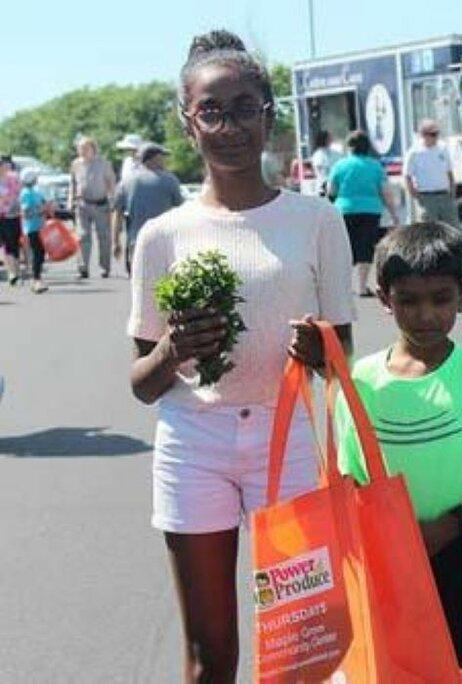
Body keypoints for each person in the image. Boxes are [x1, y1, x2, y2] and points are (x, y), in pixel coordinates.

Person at [127, 30, 355, 682]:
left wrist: (322, 349)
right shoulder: (162, 235)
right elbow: (143, 384)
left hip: (288, 444)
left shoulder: (316, 220)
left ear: (269, 113)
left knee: (300, 649)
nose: (229, 127)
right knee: (210, 657)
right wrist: (174, 350)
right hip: (193, 443)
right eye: (212, 111)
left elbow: (342, 357)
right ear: (187, 121)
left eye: (244, 108)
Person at [335, 222, 462, 682]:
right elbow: (350, 476)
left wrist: (453, 525)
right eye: (408, 300)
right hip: (388, 558)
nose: (425, 315)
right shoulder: (362, 381)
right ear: (385, 299)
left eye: (441, 299)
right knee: (400, 665)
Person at [327, 130, 400, 297]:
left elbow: (331, 190)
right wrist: (394, 213)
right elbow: (385, 191)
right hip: (370, 210)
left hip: (344, 210)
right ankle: (361, 287)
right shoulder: (375, 166)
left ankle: (344, 287)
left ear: (349, 147)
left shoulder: (340, 165)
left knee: (345, 248)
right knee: (365, 248)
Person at [112, 143, 184, 275]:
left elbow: (117, 213)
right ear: (154, 158)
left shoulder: (126, 181)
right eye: (162, 157)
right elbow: (181, 211)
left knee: (139, 282)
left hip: (136, 240)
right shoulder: (170, 180)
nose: (164, 161)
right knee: (163, 281)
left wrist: (115, 242)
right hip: (164, 240)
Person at [69, 136, 116, 279]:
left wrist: (112, 200)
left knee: (104, 237)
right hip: (82, 204)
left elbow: (111, 182)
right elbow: (72, 183)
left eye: (85, 148)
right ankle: (83, 267)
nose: (82, 151)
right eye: (80, 148)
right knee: (82, 236)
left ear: (93, 149)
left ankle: (104, 267)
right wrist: (71, 200)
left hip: (101, 204)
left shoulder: (104, 163)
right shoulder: (76, 164)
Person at [404, 119, 459, 228]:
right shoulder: (414, 152)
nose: (436, 137)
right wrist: (415, 194)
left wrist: (452, 191)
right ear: (423, 135)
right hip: (427, 197)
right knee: (428, 231)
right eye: (433, 134)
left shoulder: (443, 148)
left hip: (445, 196)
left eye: (437, 133)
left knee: (453, 229)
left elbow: (449, 171)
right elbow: (407, 176)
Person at [19, 168, 50, 293]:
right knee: (37, 253)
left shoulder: (36, 191)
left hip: (40, 226)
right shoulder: (26, 193)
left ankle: (38, 278)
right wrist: (41, 209)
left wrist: (47, 206)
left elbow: (44, 202)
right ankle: (36, 280)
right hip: (32, 227)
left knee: (41, 253)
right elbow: (26, 212)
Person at [0, 156, 22, 286]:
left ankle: (16, 271)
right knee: (5, 245)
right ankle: (11, 273)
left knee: (14, 243)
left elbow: (18, 193)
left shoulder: (13, 178)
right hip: (1, 216)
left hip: (13, 215)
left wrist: (7, 199)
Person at [309, 130, 342, 195]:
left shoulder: (335, 153)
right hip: (324, 187)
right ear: (325, 139)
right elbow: (322, 172)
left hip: (333, 186)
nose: (332, 139)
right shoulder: (318, 155)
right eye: (330, 137)